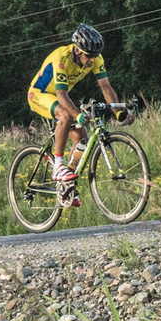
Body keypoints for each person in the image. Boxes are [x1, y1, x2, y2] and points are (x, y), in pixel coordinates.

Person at [26, 23, 124, 200]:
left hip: (59, 96)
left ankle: (66, 185)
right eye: (89, 56)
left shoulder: (95, 58)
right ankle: (58, 167)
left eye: (95, 56)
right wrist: (77, 114)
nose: (92, 60)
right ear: (77, 51)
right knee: (64, 115)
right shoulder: (62, 58)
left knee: (82, 138)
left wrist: (118, 113)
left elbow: (106, 87)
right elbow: (61, 95)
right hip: (39, 94)